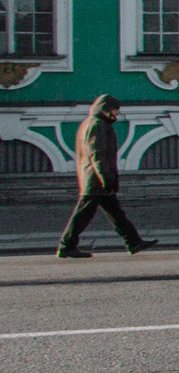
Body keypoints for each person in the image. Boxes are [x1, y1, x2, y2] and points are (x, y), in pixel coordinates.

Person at [55, 95, 159, 259]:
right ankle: (66, 245)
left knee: (115, 213)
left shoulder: (89, 123)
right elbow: (97, 155)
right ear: (105, 109)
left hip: (93, 177)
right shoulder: (98, 125)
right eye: (113, 110)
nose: (115, 114)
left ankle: (134, 242)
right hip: (96, 179)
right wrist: (106, 178)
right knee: (84, 214)